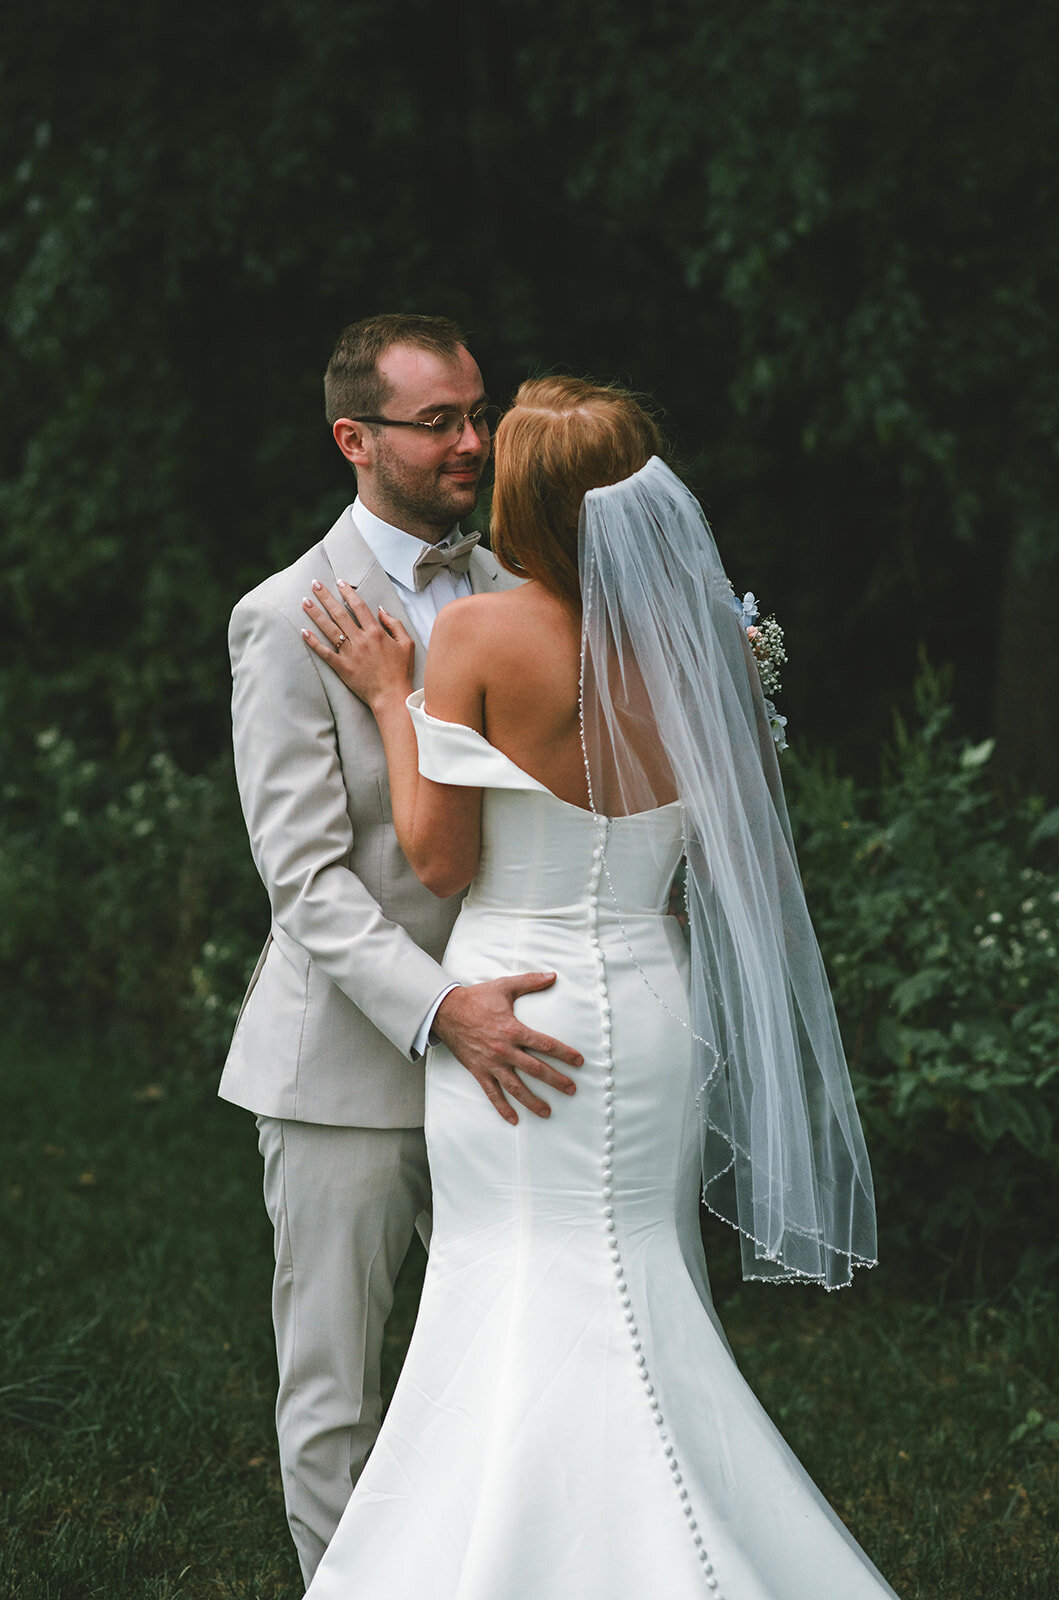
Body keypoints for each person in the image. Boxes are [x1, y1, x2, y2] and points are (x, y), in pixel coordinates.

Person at [296, 375, 899, 1598]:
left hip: (513, 1006)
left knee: (507, 1278)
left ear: (524, 501)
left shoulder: (472, 636)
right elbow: (713, 861)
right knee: (640, 1279)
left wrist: (386, 701)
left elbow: (441, 859)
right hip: (651, 1003)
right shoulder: (710, 654)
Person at [219, 317, 582, 1587]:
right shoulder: (280, 618)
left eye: (476, 415)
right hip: (352, 1068)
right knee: (337, 1386)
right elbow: (306, 881)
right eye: (438, 422)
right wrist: (445, 1011)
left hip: (514, 1045)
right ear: (353, 439)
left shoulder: (516, 593)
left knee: (507, 1361)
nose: (471, 444)